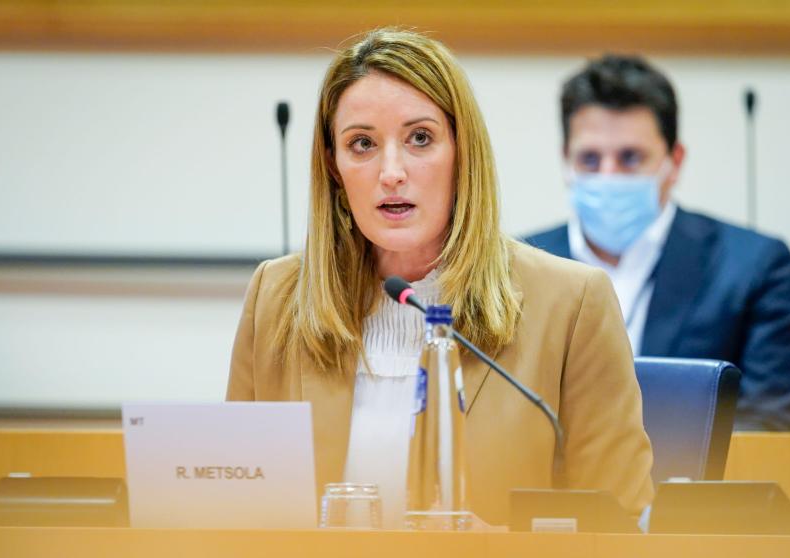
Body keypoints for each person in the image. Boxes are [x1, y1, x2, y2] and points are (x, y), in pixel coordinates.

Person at [228, 29, 652, 528]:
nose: (391, 172)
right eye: (361, 143)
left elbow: (621, 525)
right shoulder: (276, 298)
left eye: (420, 138)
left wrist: (495, 544)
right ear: (334, 167)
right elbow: (237, 507)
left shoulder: (571, 303)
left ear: (462, 152)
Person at [524, 54, 790, 432]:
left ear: (674, 161)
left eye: (630, 158)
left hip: (695, 490)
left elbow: (770, 427)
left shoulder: (754, 266)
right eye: (590, 159)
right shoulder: (518, 267)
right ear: (565, 162)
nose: (608, 176)